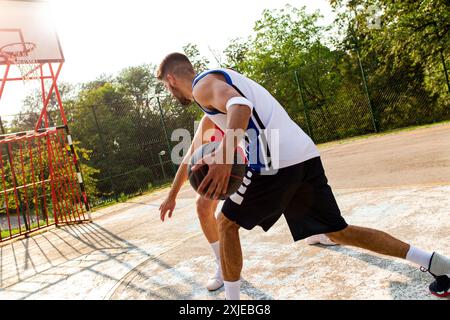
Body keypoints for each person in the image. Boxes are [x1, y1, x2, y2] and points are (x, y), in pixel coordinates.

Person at [157, 52, 450, 300]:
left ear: (170, 80)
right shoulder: (216, 87)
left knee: (226, 223)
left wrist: (224, 155)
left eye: (166, 87)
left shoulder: (203, 86)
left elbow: (241, 107)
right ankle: (436, 263)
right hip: (302, 153)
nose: (170, 93)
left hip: (274, 159)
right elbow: (193, 153)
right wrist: (175, 192)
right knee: (338, 231)